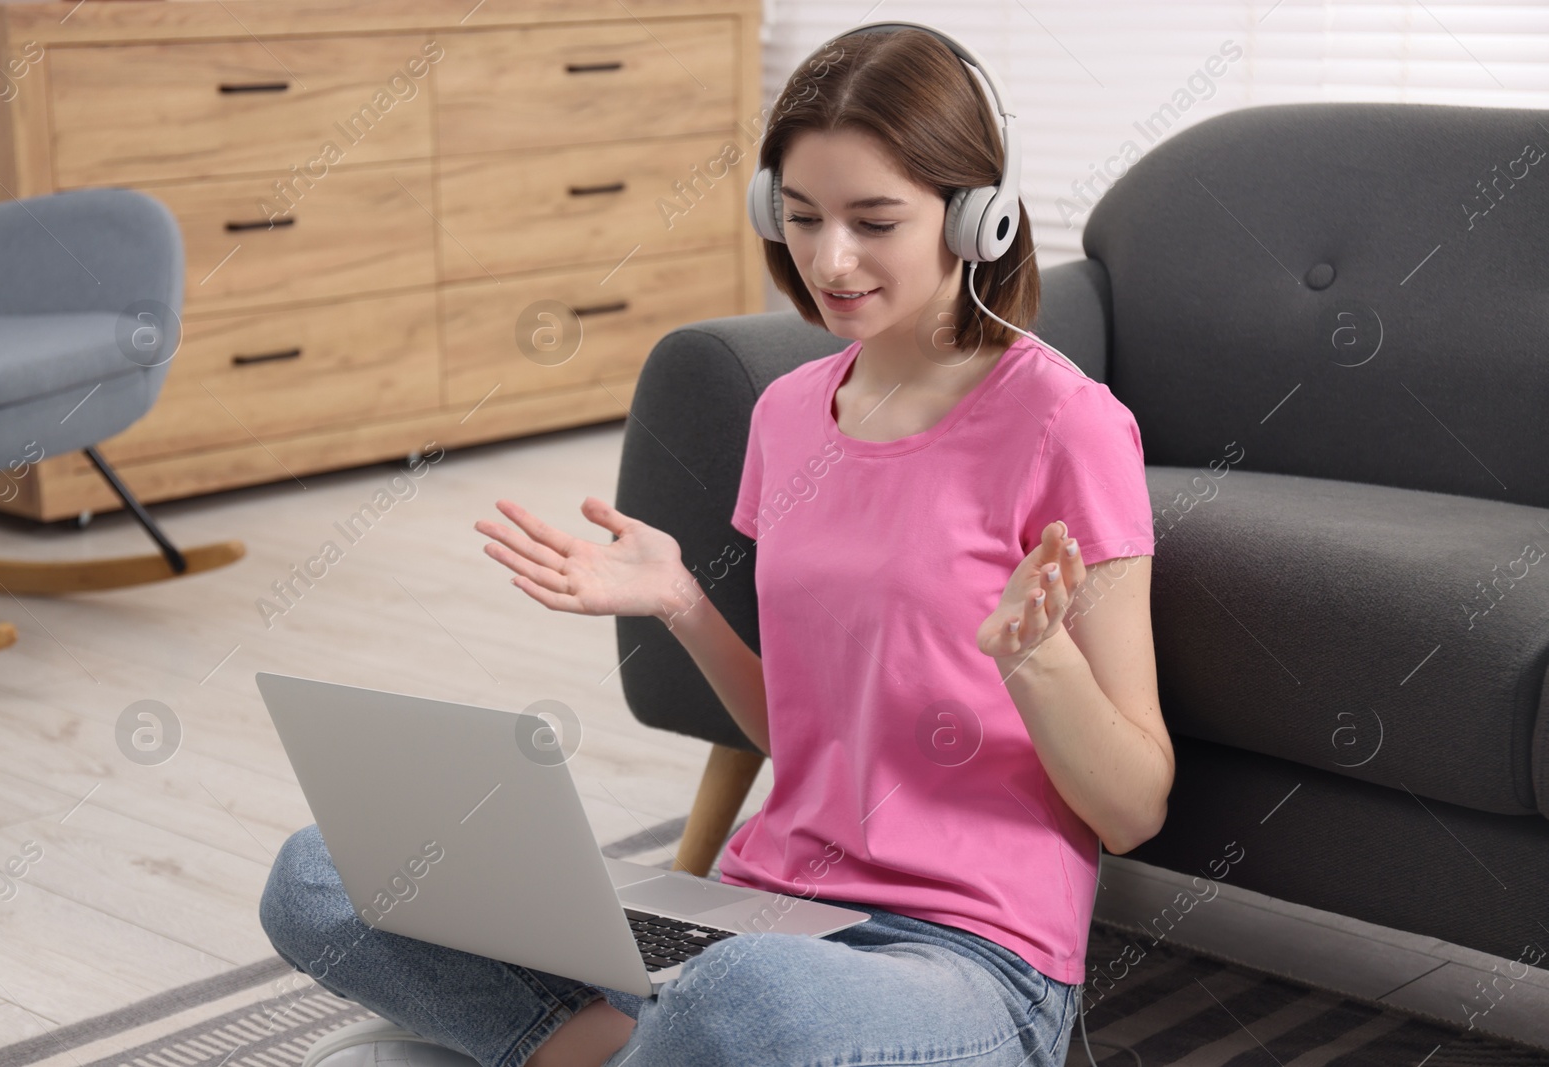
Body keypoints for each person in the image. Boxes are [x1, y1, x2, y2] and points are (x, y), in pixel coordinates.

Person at [258, 24, 1174, 1067]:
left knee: (739, 1003)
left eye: (874, 221)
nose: (830, 260)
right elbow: (802, 735)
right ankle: (627, 1044)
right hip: (759, 912)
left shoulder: (1066, 423)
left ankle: (600, 1042)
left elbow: (1134, 806)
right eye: (800, 218)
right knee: (324, 872)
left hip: (967, 956)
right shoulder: (787, 413)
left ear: (977, 218)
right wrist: (683, 603)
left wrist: (1036, 660)